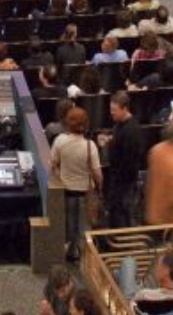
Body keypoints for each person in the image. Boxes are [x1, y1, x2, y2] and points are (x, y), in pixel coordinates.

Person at [50, 107, 101, 263]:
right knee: (85, 229)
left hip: (67, 192)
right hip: (86, 194)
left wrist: (59, 175)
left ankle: (71, 254)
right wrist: (99, 187)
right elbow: (97, 173)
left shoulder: (59, 141)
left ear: (67, 123)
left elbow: (52, 164)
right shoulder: (90, 145)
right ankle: (85, 258)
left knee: (69, 228)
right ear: (85, 124)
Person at [103, 92, 147, 228]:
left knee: (121, 215)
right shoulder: (120, 124)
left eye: (114, 110)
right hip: (118, 180)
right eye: (111, 110)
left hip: (124, 183)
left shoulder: (132, 131)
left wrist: (117, 180)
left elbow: (129, 161)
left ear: (125, 108)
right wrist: (109, 141)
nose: (111, 113)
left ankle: (122, 244)